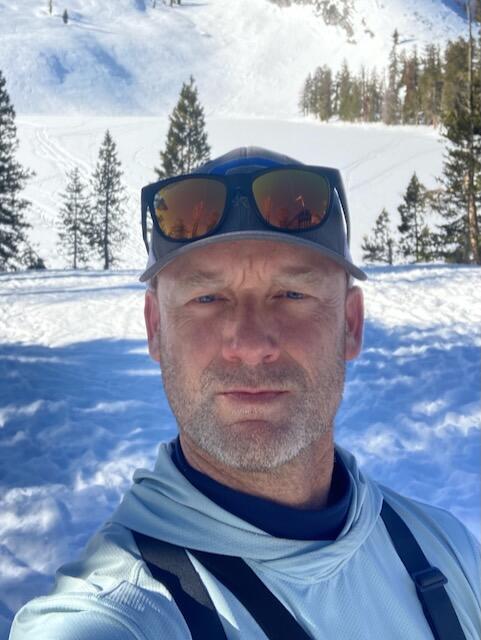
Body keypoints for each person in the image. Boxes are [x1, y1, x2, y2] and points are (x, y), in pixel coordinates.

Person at [9, 147, 480, 640]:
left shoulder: (447, 553)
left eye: (292, 294)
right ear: (156, 329)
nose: (251, 345)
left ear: (350, 324)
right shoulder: (116, 612)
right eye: (207, 298)